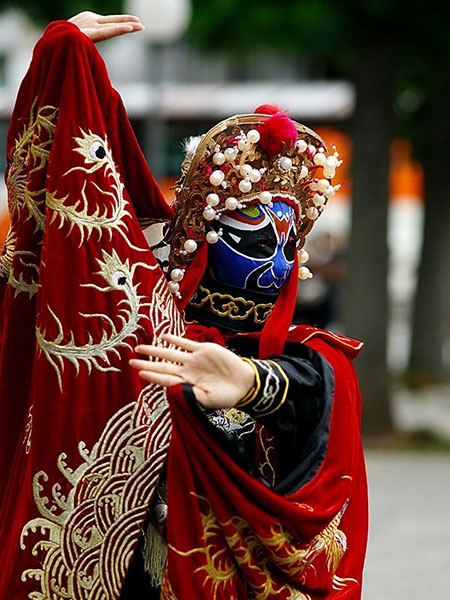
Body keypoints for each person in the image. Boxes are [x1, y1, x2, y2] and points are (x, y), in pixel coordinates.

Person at [0, 12, 368, 599]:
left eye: (286, 234)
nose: (273, 257)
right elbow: (60, 223)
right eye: (249, 230)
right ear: (200, 232)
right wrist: (60, 60)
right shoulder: (139, 316)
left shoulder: (312, 359)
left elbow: (320, 385)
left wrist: (251, 381)